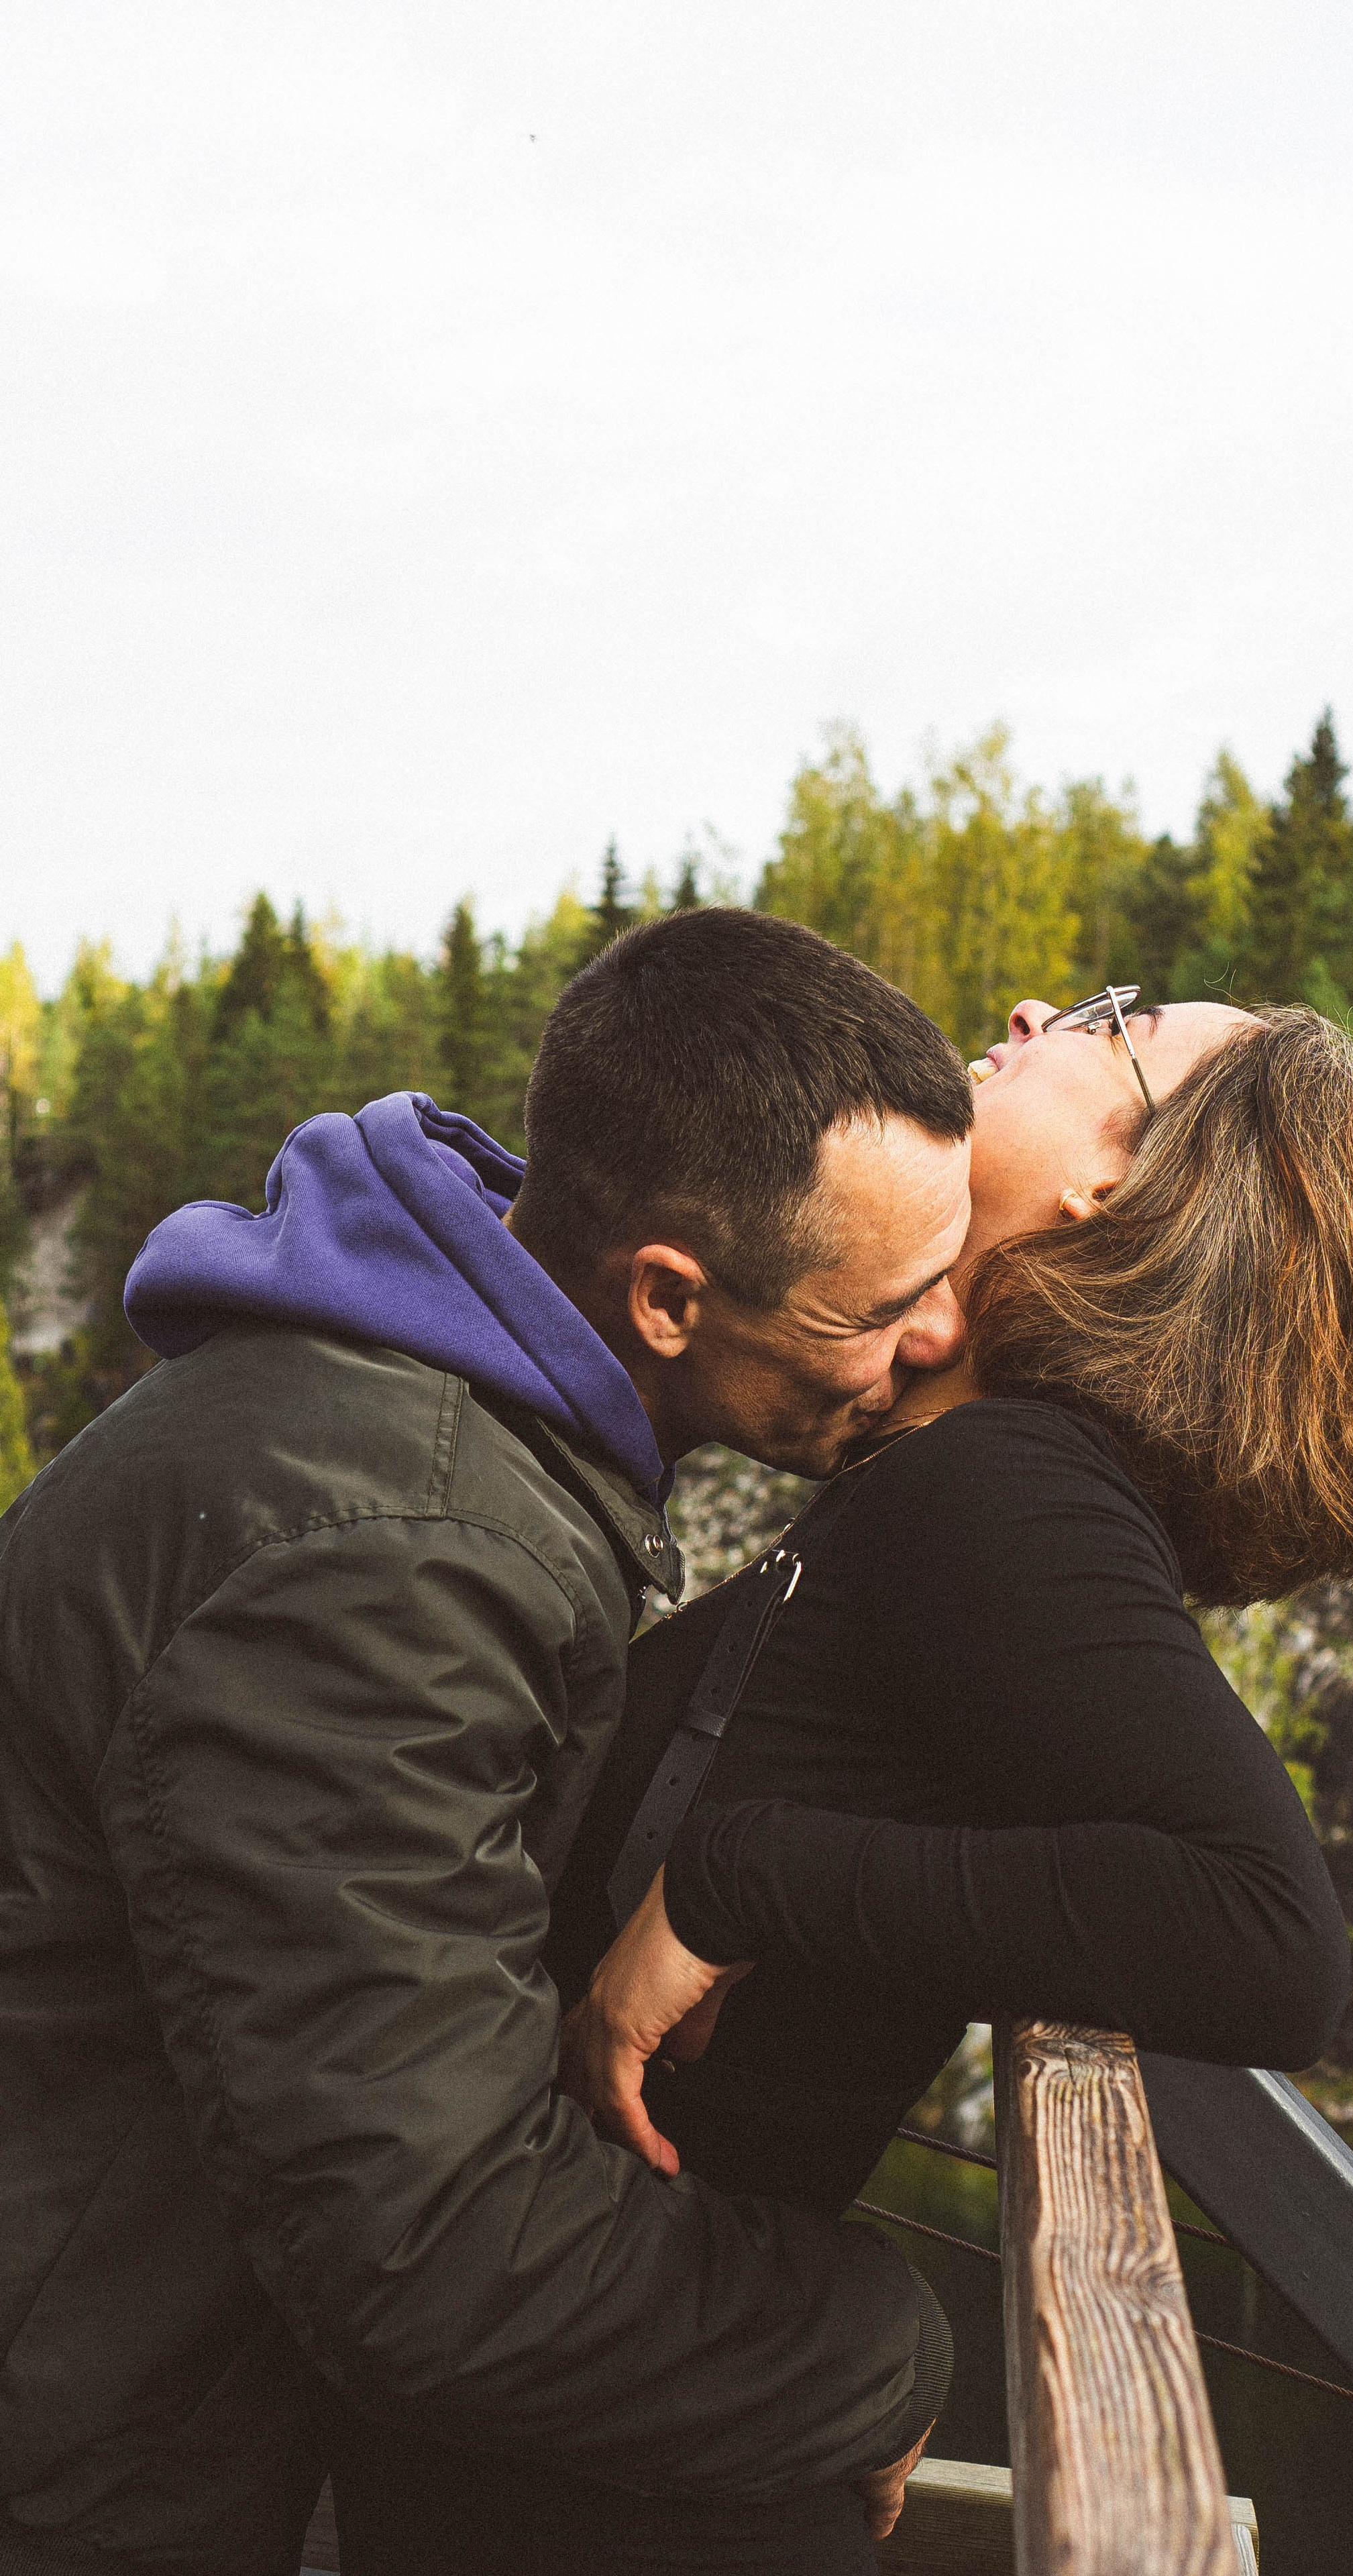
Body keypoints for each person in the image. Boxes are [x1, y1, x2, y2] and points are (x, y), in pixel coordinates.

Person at [0, 909, 978, 2576]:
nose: (937, 1338)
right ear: (668, 1297)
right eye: (883, 1303)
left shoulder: (426, 1425)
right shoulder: (384, 1554)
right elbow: (432, 2251)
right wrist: (875, 2346)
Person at [532, 990, 1353, 2573]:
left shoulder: (1006, 1486)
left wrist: (739, 1876)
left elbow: (1264, 1941)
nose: (1036, 1007)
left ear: (1121, 1187)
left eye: (1117, 1018)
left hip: (627, 2472)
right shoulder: (945, 1474)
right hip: (622, 2421)